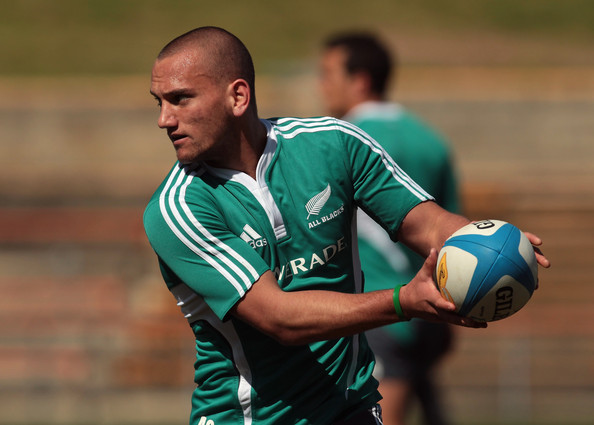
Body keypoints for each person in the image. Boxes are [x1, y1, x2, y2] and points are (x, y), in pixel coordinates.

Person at [144, 26, 549, 425]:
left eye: (180, 99)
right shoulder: (177, 209)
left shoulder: (334, 144)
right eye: (159, 102)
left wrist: (492, 243)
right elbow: (278, 318)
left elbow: (429, 225)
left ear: (238, 96)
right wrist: (403, 302)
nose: (164, 119)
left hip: (349, 408)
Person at [319, 32, 459, 425]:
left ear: (360, 80)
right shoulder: (431, 140)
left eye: (327, 74)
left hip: (378, 306)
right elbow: (451, 224)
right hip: (436, 306)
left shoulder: (339, 142)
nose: (321, 85)